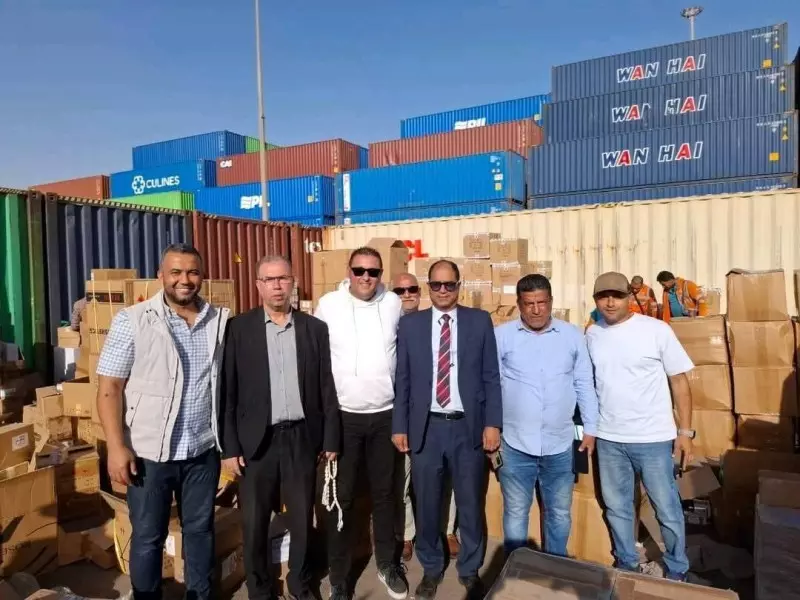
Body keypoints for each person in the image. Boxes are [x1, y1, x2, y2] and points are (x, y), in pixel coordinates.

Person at [95, 243, 229, 600]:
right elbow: (109, 387)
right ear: (161, 276)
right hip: (148, 453)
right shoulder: (133, 320)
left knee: (200, 531)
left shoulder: (218, 321)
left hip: (201, 450)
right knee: (148, 537)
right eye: (176, 272)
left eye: (193, 272)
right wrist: (116, 447)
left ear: (202, 276)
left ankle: (200, 595)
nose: (185, 280)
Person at [221, 255, 341, 600]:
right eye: (269, 280)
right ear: (258, 285)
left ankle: (300, 584)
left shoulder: (313, 329)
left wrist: (331, 437)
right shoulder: (238, 329)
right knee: (255, 521)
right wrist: (230, 447)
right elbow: (227, 392)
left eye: (283, 279)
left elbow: (326, 386)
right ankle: (260, 589)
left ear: (293, 283)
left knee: (302, 518)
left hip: (302, 438)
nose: (277, 286)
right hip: (256, 442)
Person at [392, 260, 502, 600]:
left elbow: (491, 376)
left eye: (449, 284)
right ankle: (431, 567)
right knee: (427, 504)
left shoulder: (478, 321)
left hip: (467, 427)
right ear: (428, 287)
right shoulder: (411, 325)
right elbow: (403, 379)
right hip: (427, 428)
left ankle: (469, 569)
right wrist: (400, 426)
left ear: (459, 286)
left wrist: (492, 423)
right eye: (437, 285)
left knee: (470, 503)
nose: (443, 290)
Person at [585, 272, 695, 582]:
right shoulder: (592, 335)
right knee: (617, 506)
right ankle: (627, 562)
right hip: (609, 439)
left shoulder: (656, 330)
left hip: (653, 439)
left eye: (617, 296)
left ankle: (677, 568)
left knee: (666, 508)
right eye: (603, 296)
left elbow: (679, 382)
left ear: (629, 298)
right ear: (595, 300)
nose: (610, 302)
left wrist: (685, 432)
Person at [315, 247, 407, 600]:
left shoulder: (393, 303)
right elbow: (317, 360)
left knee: (385, 496)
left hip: (385, 416)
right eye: (359, 270)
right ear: (348, 271)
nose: (366, 277)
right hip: (344, 418)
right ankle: (340, 578)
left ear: (381, 274)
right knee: (342, 499)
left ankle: (386, 564)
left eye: (373, 271)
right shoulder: (329, 305)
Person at [494, 274, 599, 557]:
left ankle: (555, 565)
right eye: (529, 304)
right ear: (519, 304)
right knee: (516, 511)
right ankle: (515, 567)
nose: (536, 310)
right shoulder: (502, 337)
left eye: (542, 302)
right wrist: (491, 429)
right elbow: (491, 385)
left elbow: (584, 383)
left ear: (551, 301)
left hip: (560, 444)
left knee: (559, 513)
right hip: (515, 444)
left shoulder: (572, 336)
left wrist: (590, 428)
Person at [390, 272, 460, 563]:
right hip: (399, 414)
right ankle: (407, 533)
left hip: (432, 416)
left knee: (445, 477)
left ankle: (447, 529)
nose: (407, 295)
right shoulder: (387, 324)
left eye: (412, 289)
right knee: (402, 480)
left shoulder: (434, 322)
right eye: (400, 290)